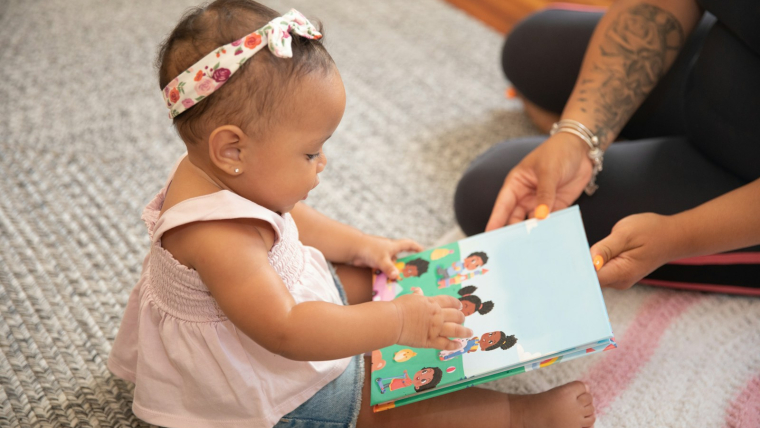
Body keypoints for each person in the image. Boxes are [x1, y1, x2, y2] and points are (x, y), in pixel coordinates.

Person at [107, 1, 596, 427]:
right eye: (309, 153)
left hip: (271, 309)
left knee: (376, 275)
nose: (323, 163)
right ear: (231, 148)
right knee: (371, 404)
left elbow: (290, 221)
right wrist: (396, 323)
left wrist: (365, 246)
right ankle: (522, 417)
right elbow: (288, 330)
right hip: (261, 379)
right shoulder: (218, 237)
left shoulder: (223, 170)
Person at [455, 0, 760, 293]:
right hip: (724, 57)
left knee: (486, 197)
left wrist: (678, 235)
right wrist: (578, 134)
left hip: (744, 184)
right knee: (530, 49)